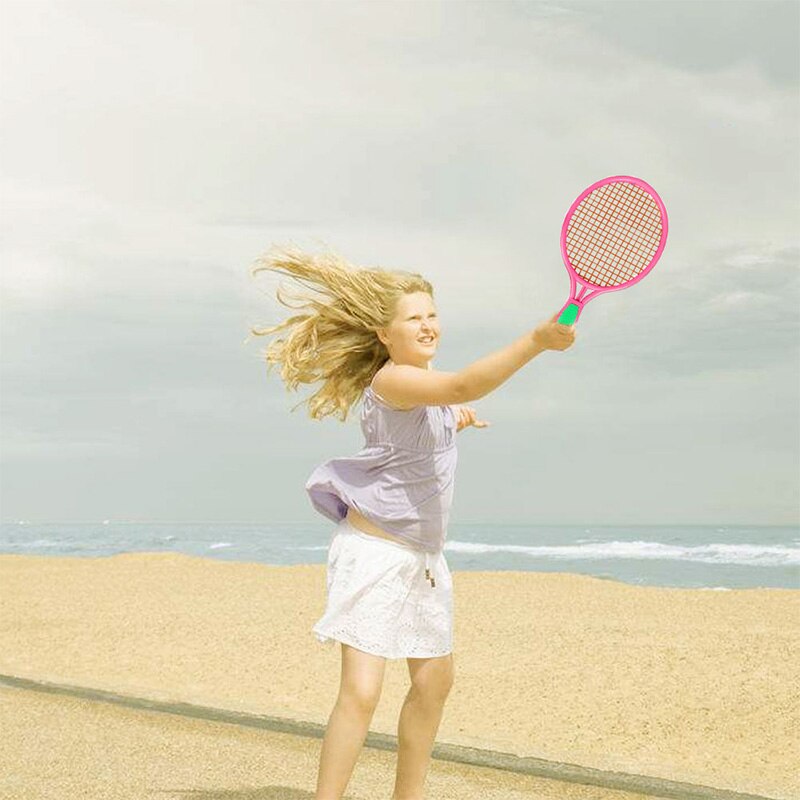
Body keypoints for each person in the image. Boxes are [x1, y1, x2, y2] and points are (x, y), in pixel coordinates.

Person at [248, 244, 576, 800]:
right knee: (362, 691)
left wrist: (459, 419)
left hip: (423, 560)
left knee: (433, 681)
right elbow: (459, 386)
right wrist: (536, 343)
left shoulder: (427, 395)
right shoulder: (393, 381)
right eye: (413, 318)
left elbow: (448, 405)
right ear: (384, 334)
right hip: (374, 556)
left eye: (431, 315)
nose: (427, 325)